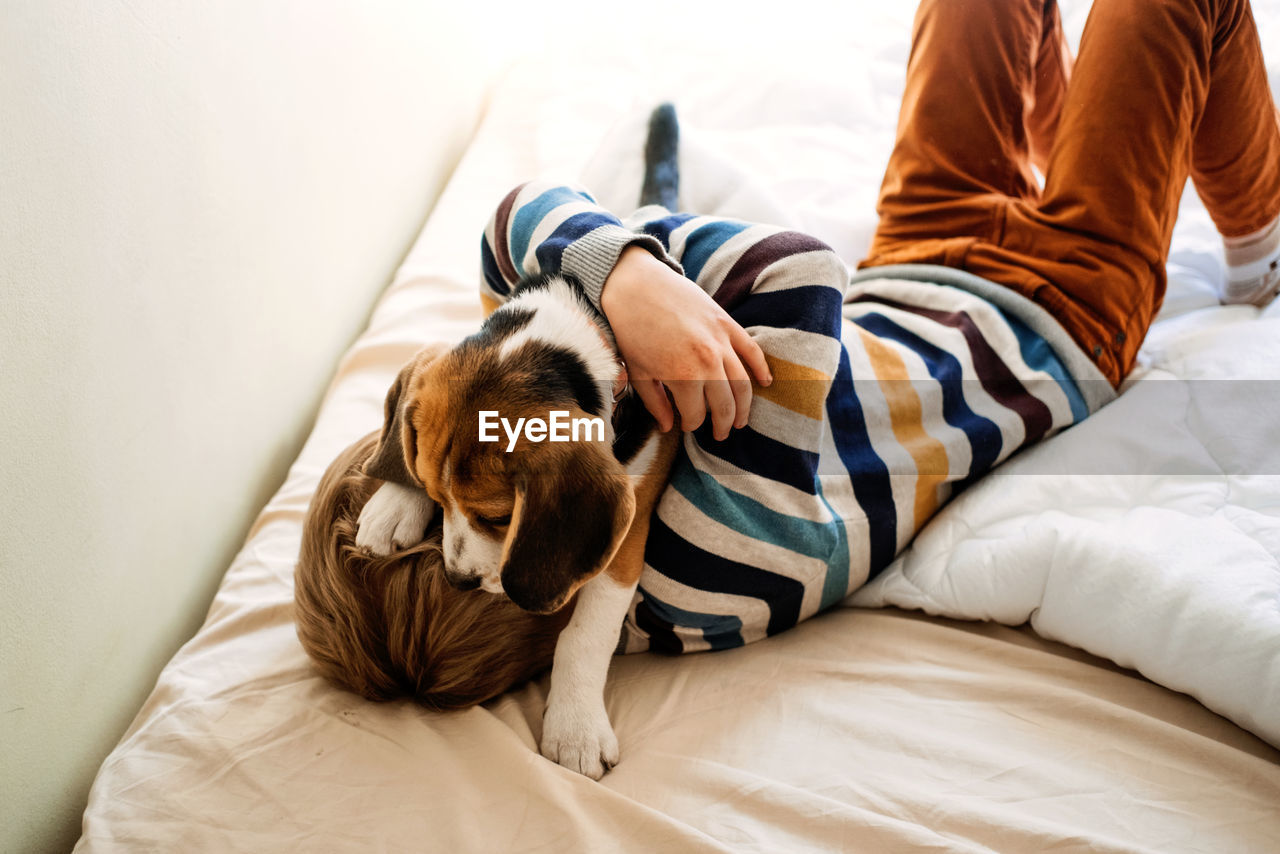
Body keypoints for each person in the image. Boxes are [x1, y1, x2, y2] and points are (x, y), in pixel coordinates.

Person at [480, 0, 1280, 653]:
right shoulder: (706, 568)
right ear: (535, 569)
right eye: (483, 511)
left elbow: (503, 228)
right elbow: (799, 270)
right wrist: (632, 277)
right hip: (1058, 315)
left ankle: (1070, 141)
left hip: (914, 258)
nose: (512, 436)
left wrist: (597, 287)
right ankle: (1260, 242)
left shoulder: (569, 490)